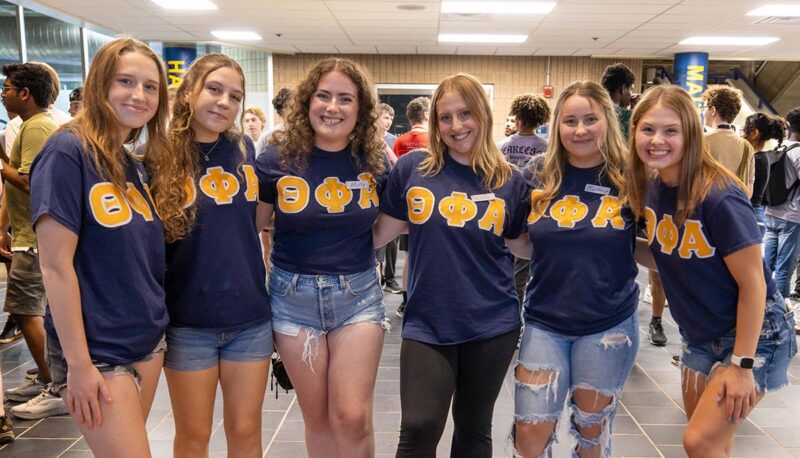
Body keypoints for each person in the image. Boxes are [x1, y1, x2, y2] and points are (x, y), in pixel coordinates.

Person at [626, 84, 796, 456]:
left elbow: (754, 284)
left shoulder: (719, 195)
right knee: (713, 445)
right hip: (701, 333)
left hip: (756, 335)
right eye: (648, 129)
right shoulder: (653, 188)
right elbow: (669, 256)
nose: (657, 140)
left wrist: (741, 366)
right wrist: (614, 247)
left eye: (671, 130)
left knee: (699, 441)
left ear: (691, 132)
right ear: (634, 131)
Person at [374, 73, 529, 457]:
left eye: (465, 114)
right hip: (428, 318)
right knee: (418, 426)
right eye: (445, 117)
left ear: (483, 115)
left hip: (492, 322)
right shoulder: (413, 168)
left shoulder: (510, 180)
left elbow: (522, 244)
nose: (456, 126)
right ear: (434, 123)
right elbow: (379, 234)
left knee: (474, 428)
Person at [29, 36, 170, 455]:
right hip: (99, 350)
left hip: (146, 338)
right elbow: (55, 267)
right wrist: (77, 364)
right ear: (99, 84)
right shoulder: (66, 151)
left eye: (150, 87)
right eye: (125, 81)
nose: (139, 95)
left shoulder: (127, 160)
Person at [256, 57, 388, 457]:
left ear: (360, 110)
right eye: (323, 96)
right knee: (317, 417)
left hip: (358, 295)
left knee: (350, 414)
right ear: (307, 102)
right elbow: (257, 224)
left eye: (345, 99)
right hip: (292, 298)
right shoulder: (275, 159)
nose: (333, 107)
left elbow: (389, 223)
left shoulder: (376, 161)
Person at [147, 53, 272, 457]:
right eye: (214, 90)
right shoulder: (157, 155)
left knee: (246, 431)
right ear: (189, 93)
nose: (224, 103)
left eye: (235, 96)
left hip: (249, 318)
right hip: (188, 322)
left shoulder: (243, 148)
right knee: (194, 435)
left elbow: (247, 224)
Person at [510, 81, 641, 457]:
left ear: (607, 122)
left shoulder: (631, 175)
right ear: (557, 126)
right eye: (570, 120)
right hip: (545, 322)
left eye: (590, 119)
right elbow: (520, 240)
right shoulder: (538, 173)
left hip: (609, 323)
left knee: (591, 434)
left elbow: (654, 244)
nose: (580, 130)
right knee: (530, 435)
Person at [0, 62, 64, 418]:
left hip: (36, 238)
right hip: (27, 235)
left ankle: (54, 382)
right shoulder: (30, 126)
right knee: (31, 310)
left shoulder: (39, 127)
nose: (3, 93)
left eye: (8, 87)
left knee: (27, 311)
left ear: (26, 93)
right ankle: (47, 377)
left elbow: (29, 181)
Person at [498, 93, 550, 306]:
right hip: (534, 211)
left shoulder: (502, 145)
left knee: (503, 261)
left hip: (507, 208)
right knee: (522, 270)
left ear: (517, 117)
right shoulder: (547, 147)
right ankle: (516, 312)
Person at [391, 96, 431, 317]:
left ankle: (406, 302)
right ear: (426, 115)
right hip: (429, 204)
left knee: (409, 256)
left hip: (405, 204)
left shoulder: (399, 141)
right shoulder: (434, 140)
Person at [763, 107, 800, 300]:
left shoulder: (777, 147)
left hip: (770, 212)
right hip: (792, 218)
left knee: (766, 267)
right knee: (785, 269)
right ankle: (779, 317)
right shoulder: (799, 152)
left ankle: (761, 309)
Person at [703, 85, 755, 195]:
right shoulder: (747, 146)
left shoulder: (702, 141)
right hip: (736, 207)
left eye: (704, 108)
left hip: (707, 207)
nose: (703, 113)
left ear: (713, 110)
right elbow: (749, 191)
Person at [743, 112, 787, 238]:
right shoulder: (763, 156)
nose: (742, 134)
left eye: (745, 130)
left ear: (755, 133)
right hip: (755, 214)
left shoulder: (756, 159)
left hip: (751, 215)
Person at [600, 63, 635, 140]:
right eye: (631, 89)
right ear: (624, 89)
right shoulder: (629, 117)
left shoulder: (592, 111)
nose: (631, 95)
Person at [255, 87, 292, 156]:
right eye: (290, 107)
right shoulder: (266, 137)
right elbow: (257, 163)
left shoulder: (304, 134)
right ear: (281, 111)